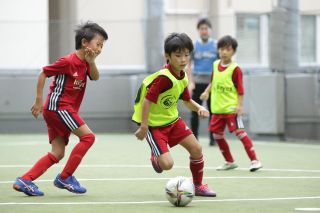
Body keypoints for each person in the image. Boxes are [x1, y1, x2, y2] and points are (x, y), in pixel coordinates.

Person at [13, 22, 108, 196]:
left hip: (60, 109)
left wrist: (92, 62)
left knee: (57, 153)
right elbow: (43, 73)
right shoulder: (68, 61)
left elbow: (95, 77)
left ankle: (25, 180)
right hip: (59, 107)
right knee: (88, 137)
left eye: (102, 46)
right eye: (98, 44)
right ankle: (65, 177)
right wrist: (38, 100)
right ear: (85, 42)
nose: (100, 48)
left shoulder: (87, 62)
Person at [132, 33, 216, 197]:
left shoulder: (183, 76)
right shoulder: (164, 78)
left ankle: (198, 185)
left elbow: (186, 101)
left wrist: (199, 107)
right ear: (167, 56)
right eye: (178, 55)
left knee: (197, 149)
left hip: (173, 121)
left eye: (186, 55)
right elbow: (147, 102)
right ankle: (156, 157)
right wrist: (144, 127)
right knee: (167, 165)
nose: (183, 59)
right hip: (154, 126)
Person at [200, 35, 262, 172]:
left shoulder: (235, 69)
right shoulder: (215, 64)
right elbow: (213, 81)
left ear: (233, 51)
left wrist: (240, 106)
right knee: (217, 135)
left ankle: (255, 160)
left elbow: (240, 90)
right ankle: (229, 162)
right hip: (217, 109)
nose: (224, 52)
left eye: (227, 49)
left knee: (240, 133)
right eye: (221, 49)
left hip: (231, 109)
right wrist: (206, 92)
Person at [187, 18, 218, 146]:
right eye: (201, 29)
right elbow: (188, 65)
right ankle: (195, 138)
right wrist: (191, 82)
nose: (204, 31)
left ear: (210, 30)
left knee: (213, 111)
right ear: (198, 31)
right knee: (195, 111)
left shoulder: (216, 46)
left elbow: (220, 65)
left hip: (212, 84)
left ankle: (213, 138)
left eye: (206, 29)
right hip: (197, 83)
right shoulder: (194, 46)